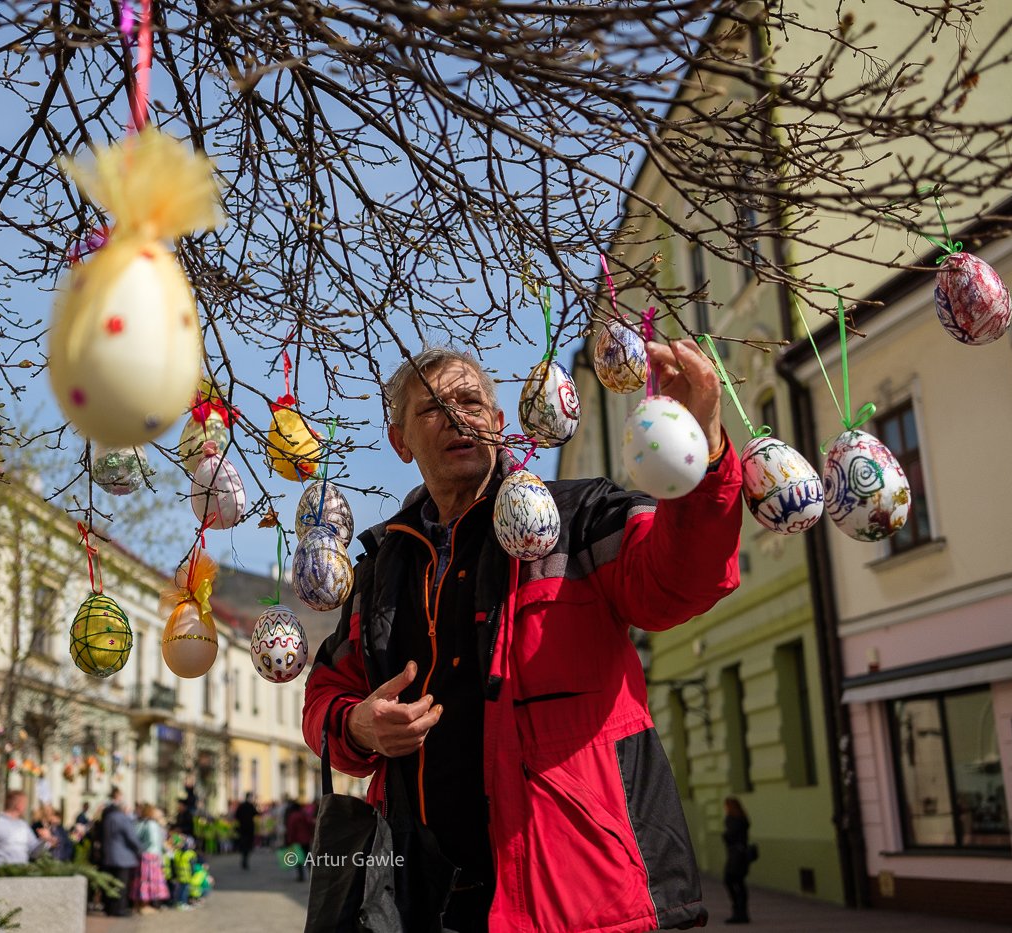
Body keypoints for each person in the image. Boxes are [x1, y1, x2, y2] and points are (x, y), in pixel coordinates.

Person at [303, 344, 742, 932]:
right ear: (399, 441)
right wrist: (358, 725)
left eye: (471, 401)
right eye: (432, 408)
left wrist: (701, 455)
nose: (458, 417)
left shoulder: (578, 515)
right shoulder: (383, 565)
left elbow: (678, 582)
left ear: (499, 421)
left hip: (578, 897)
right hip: (417, 899)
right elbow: (325, 694)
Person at [98, 788, 142, 917]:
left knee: (110, 883)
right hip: (123, 857)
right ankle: (119, 909)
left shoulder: (107, 818)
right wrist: (139, 849)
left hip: (109, 855)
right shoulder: (122, 819)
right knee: (121, 885)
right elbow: (131, 837)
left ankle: (109, 908)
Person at [0, 790, 52, 867]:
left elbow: (34, 853)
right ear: (19, 805)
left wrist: (44, 840)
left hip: (21, 873)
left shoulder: (23, 825)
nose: (26, 807)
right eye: (25, 804)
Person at [134, 804, 170, 912]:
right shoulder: (152, 824)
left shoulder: (140, 823)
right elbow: (153, 841)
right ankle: (145, 905)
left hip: (142, 855)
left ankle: (139, 905)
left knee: (141, 880)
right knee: (149, 881)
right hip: (151, 855)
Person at [722, 796, 753, 924]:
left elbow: (730, 837)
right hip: (741, 855)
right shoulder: (743, 819)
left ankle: (739, 912)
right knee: (739, 883)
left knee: (730, 880)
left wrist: (725, 835)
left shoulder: (732, 820)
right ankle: (741, 912)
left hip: (736, 856)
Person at [284, 798, 315, 882]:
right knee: (308, 858)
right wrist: (311, 835)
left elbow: (291, 829)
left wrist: (289, 840)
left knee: (298, 859)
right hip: (306, 839)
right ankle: (312, 874)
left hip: (296, 840)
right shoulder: (304, 814)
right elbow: (310, 825)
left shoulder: (292, 816)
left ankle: (301, 876)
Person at [234, 792, 259, 870]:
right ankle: (245, 859)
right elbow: (256, 813)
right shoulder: (250, 806)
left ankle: (244, 859)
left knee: (244, 844)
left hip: (243, 828)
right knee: (247, 845)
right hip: (248, 829)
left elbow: (236, 815)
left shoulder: (241, 806)